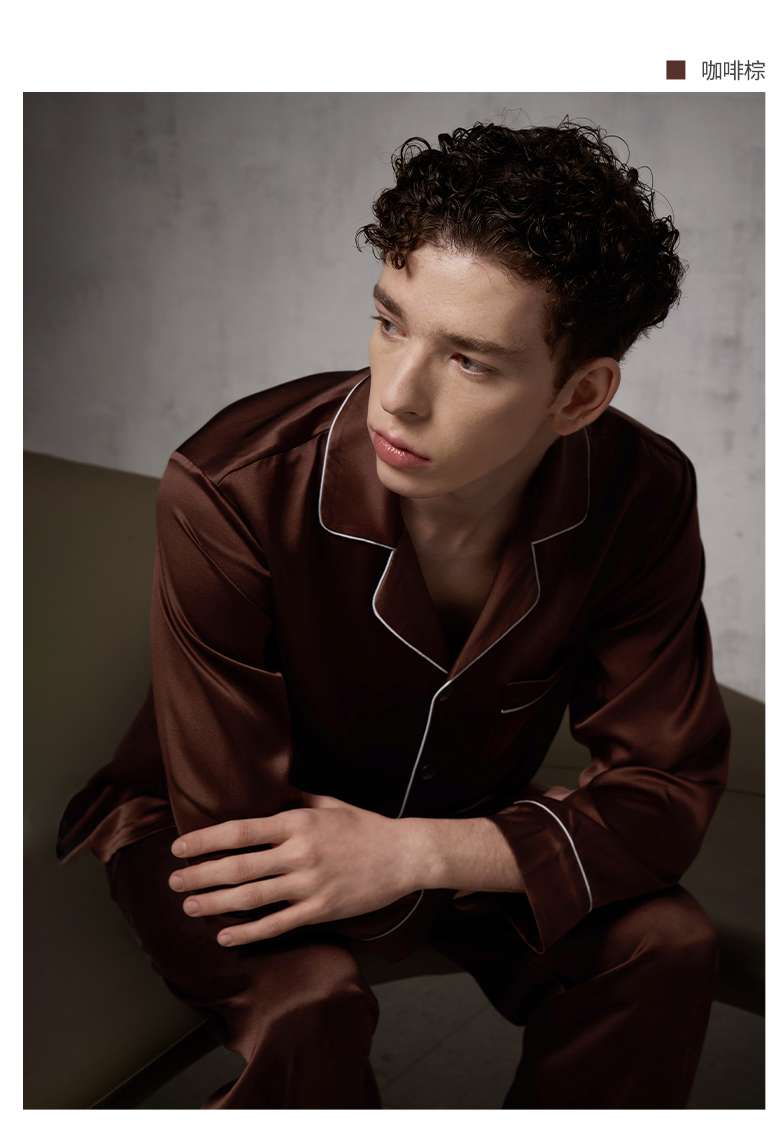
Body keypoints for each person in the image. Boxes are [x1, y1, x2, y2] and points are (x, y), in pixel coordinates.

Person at [56, 117, 731, 1109]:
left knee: (664, 942)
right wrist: (482, 858)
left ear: (580, 395)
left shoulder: (641, 491)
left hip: (446, 834)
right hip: (216, 840)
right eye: (389, 321)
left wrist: (421, 852)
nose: (397, 395)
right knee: (311, 1001)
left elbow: (665, 788)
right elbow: (235, 830)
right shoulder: (233, 485)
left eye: (469, 361)